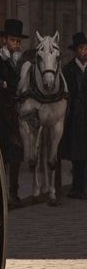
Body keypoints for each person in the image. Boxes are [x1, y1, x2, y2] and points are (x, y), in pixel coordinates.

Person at [0, 18, 25, 207]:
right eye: (12, 40)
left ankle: (14, 194)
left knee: (16, 151)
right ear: (4, 40)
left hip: (14, 111)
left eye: (18, 41)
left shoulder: (20, 61)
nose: (16, 44)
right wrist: (1, 84)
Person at [61, 31, 87, 198]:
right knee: (77, 154)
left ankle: (84, 187)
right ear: (75, 50)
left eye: (86, 48)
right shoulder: (68, 69)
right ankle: (77, 188)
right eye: (81, 49)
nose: (84, 52)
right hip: (75, 117)